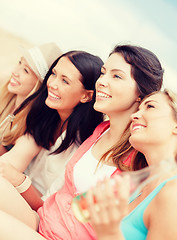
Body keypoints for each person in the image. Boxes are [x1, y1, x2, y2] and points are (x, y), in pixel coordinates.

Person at [0, 44, 163, 239]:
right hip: (41, 220)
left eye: (116, 76)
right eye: (103, 73)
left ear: (140, 93)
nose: (102, 81)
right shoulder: (100, 131)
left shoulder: (139, 157)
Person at [0, 50, 104, 209]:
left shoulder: (83, 147)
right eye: (54, 74)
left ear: (87, 96)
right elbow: (11, 160)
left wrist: (18, 179)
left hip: (35, 214)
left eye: (65, 81)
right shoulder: (45, 115)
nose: (52, 83)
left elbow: (47, 208)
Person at [87, 89, 177, 240]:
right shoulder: (141, 186)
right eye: (139, 108)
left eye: (150, 107)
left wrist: (109, 234)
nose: (134, 116)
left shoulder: (172, 195)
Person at [0, 42, 62, 155]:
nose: (15, 72)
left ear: (39, 84)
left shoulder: (34, 127)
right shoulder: (5, 96)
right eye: (19, 63)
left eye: (25, 70)